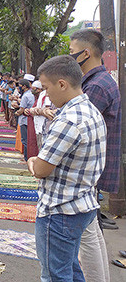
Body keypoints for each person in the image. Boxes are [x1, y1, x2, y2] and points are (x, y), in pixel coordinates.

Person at [28, 55, 106, 282]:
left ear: (62, 84)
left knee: (54, 275)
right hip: (82, 205)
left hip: (60, 210)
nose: (45, 95)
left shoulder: (69, 120)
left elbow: (41, 169)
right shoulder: (91, 111)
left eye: (46, 88)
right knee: (70, 270)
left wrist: (32, 161)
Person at [70, 29, 121, 281]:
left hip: (89, 171)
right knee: (92, 235)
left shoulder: (96, 86)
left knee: (87, 238)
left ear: (85, 53)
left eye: (72, 53)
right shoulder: (99, 82)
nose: (71, 58)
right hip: (94, 169)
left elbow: (77, 126)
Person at [15, 78, 34, 158]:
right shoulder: (31, 94)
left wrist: (16, 112)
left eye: (20, 86)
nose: (19, 88)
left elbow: (22, 109)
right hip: (29, 119)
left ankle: (27, 157)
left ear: (24, 86)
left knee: (25, 140)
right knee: (28, 139)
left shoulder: (25, 96)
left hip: (24, 120)